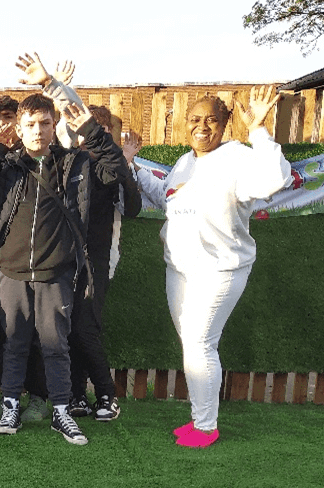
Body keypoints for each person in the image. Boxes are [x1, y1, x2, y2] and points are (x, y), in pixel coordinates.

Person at [0, 52, 125, 446]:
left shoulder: (73, 164)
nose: (38, 131)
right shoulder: (8, 165)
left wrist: (94, 133)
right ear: (20, 128)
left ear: (54, 124)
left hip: (56, 273)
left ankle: (61, 411)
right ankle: (11, 404)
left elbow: (114, 172)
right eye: (30, 124)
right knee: (15, 344)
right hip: (11, 272)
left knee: (56, 346)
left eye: (45, 123)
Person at [133, 86, 291, 448]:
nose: (202, 127)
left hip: (221, 269)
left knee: (201, 343)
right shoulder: (186, 162)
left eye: (211, 120)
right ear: (185, 125)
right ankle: (198, 419)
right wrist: (132, 166)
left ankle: (206, 426)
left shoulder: (237, 155)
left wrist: (259, 130)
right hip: (179, 269)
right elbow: (166, 198)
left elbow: (274, 180)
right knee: (193, 345)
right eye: (195, 120)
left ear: (224, 125)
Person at [65, 105, 142, 422]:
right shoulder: (70, 163)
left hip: (97, 259)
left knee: (86, 326)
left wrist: (124, 163)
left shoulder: (109, 168)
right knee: (72, 327)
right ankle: (77, 395)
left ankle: (107, 395)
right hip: (65, 261)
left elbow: (133, 206)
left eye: (97, 129)